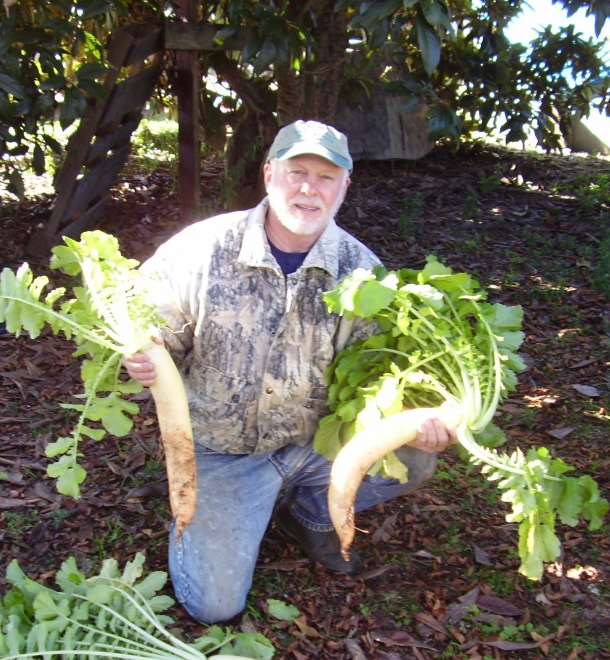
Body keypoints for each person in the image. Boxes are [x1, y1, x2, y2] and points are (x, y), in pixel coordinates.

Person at [124, 120, 455, 623]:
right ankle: (224, 510)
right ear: (268, 175)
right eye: (296, 171)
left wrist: (417, 419)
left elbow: (384, 374)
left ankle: (306, 514)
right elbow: (151, 329)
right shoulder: (200, 250)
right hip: (221, 451)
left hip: (316, 443)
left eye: (326, 177)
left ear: (345, 187)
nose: (308, 188)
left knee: (411, 457)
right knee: (214, 606)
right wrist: (143, 356)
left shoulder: (366, 275)